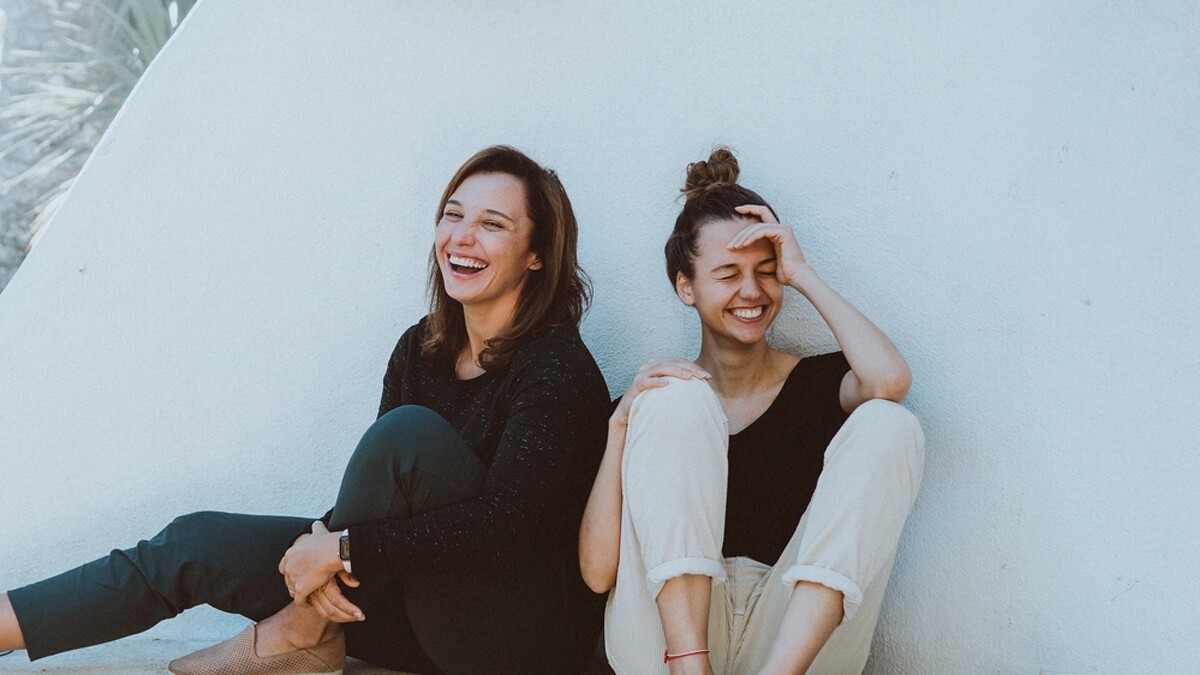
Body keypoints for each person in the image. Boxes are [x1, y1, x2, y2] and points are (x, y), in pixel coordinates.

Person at [0, 145, 611, 675]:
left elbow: (507, 526)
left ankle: (301, 631)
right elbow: (378, 498)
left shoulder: (556, 367)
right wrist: (325, 547)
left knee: (406, 436)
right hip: (408, 613)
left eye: (493, 224)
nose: (463, 236)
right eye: (453, 215)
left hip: (511, 641)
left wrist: (342, 550)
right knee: (194, 541)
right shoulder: (421, 348)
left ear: (537, 254)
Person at [579, 147, 926, 675]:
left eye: (766, 272)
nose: (751, 291)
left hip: (787, 640)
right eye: (728, 273)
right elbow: (598, 573)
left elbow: (890, 381)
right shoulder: (657, 406)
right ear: (686, 286)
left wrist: (802, 272)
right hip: (666, 645)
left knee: (889, 422)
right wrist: (620, 424)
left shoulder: (818, 385)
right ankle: (690, 665)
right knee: (674, 396)